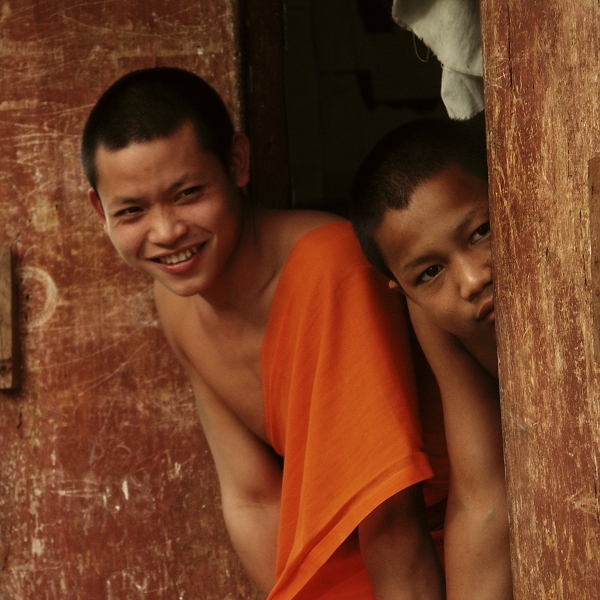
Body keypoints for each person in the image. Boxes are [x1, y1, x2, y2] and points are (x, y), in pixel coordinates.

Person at [81, 67, 446, 600]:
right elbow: (252, 498)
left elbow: (392, 520)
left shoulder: (332, 267)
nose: (166, 232)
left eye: (188, 193)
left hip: (432, 561)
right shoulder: (176, 301)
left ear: (237, 162)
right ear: (100, 210)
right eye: (132, 211)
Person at [350, 117, 513, 600]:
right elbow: (483, 498)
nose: (472, 279)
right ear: (403, 292)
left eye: (481, 231)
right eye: (430, 273)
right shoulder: (437, 319)